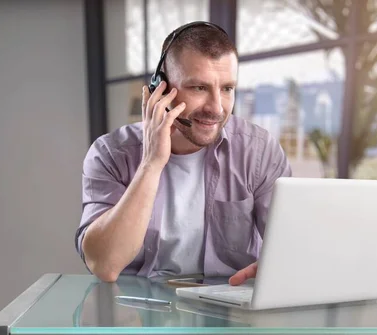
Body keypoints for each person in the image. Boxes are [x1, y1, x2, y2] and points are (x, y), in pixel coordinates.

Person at [75, 21, 291, 285]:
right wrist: (151, 164)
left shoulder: (258, 150)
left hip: (229, 315)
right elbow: (104, 265)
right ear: (160, 89)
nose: (217, 108)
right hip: (137, 315)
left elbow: (293, 251)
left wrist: (279, 268)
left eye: (227, 89)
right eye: (199, 87)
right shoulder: (110, 153)